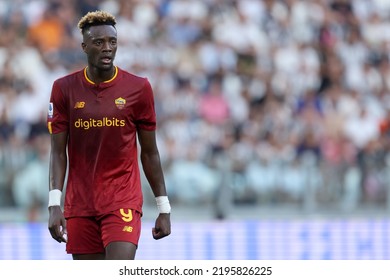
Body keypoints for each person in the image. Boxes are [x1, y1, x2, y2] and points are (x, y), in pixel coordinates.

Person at [47, 10, 171, 260]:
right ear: (84, 46)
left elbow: (149, 152)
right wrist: (53, 204)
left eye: (112, 42)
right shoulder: (63, 89)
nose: (107, 48)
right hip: (80, 204)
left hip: (122, 199)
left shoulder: (138, 88)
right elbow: (58, 152)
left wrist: (163, 207)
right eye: (99, 42)